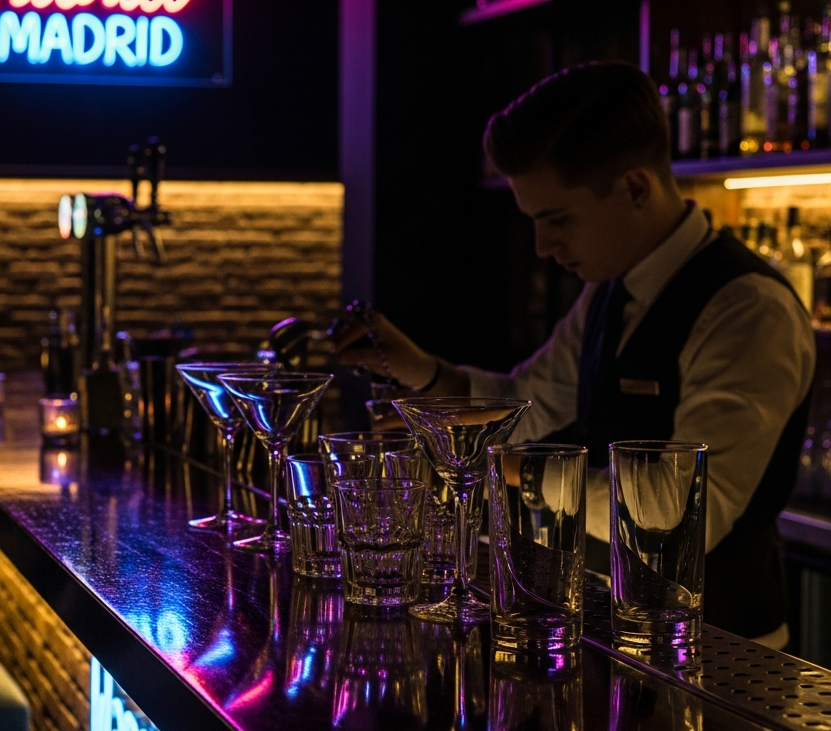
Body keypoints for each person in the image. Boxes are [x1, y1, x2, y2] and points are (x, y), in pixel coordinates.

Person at [334, 61, 815, 646]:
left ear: (636, 187)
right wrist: (425, 374)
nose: (542, 247)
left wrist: (497, 472)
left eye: (557, 219)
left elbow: (685, 510)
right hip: (612, 628)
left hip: (720, 651)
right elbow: (522, 403)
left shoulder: (747, 309)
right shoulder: (610, 289)